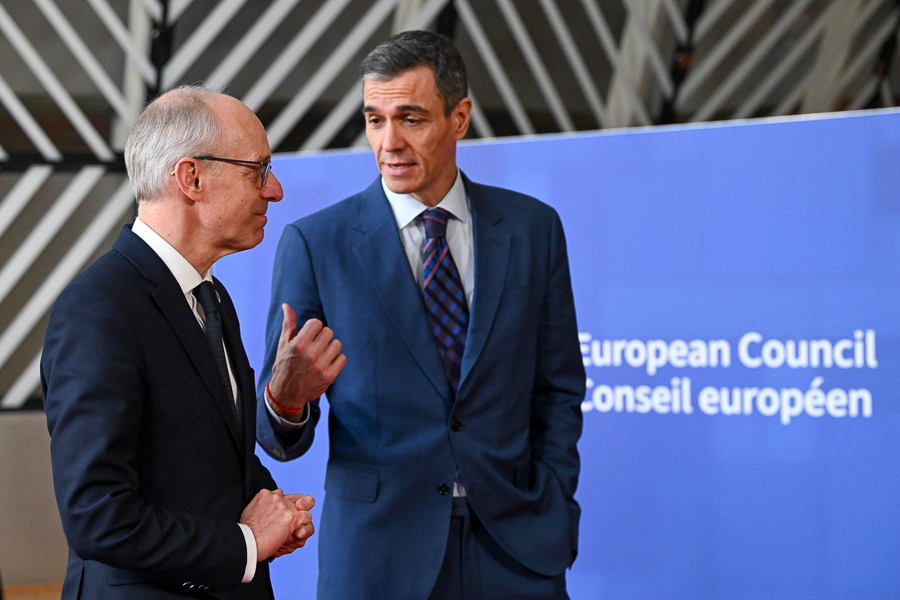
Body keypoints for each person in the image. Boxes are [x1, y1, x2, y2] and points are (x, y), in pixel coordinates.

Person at [257, 31, 585, 599]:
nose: (389, 142)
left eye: (410, 119)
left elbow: (558, 389)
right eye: (375, 120)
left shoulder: (534, 229)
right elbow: (278, 438)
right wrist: (285, 401)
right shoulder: (316, 244)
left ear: (459, 118)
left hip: (517, 547)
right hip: (378, 558)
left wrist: (553, 498)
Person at [42, 86, 316, 599]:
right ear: (191, 178)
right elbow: (96, 515)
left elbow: (210, 459)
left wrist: (273, 507)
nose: (275, 190)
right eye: (258, 170)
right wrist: (244, 544)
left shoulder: (211, 297)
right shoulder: (98, 308)